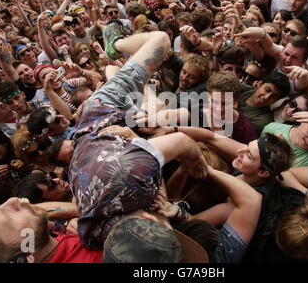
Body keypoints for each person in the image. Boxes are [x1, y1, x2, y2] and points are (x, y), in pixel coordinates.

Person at [68, 21, 210, 262]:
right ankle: (117, 70)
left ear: (149, 218)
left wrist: (196, 163)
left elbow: (183, 142)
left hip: (103, 113)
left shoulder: (129, 174)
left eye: (169, 224)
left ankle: (116, 44)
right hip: (115, 138)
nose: (168, 215)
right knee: (145, 98)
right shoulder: (94, 235)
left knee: (161, 41)